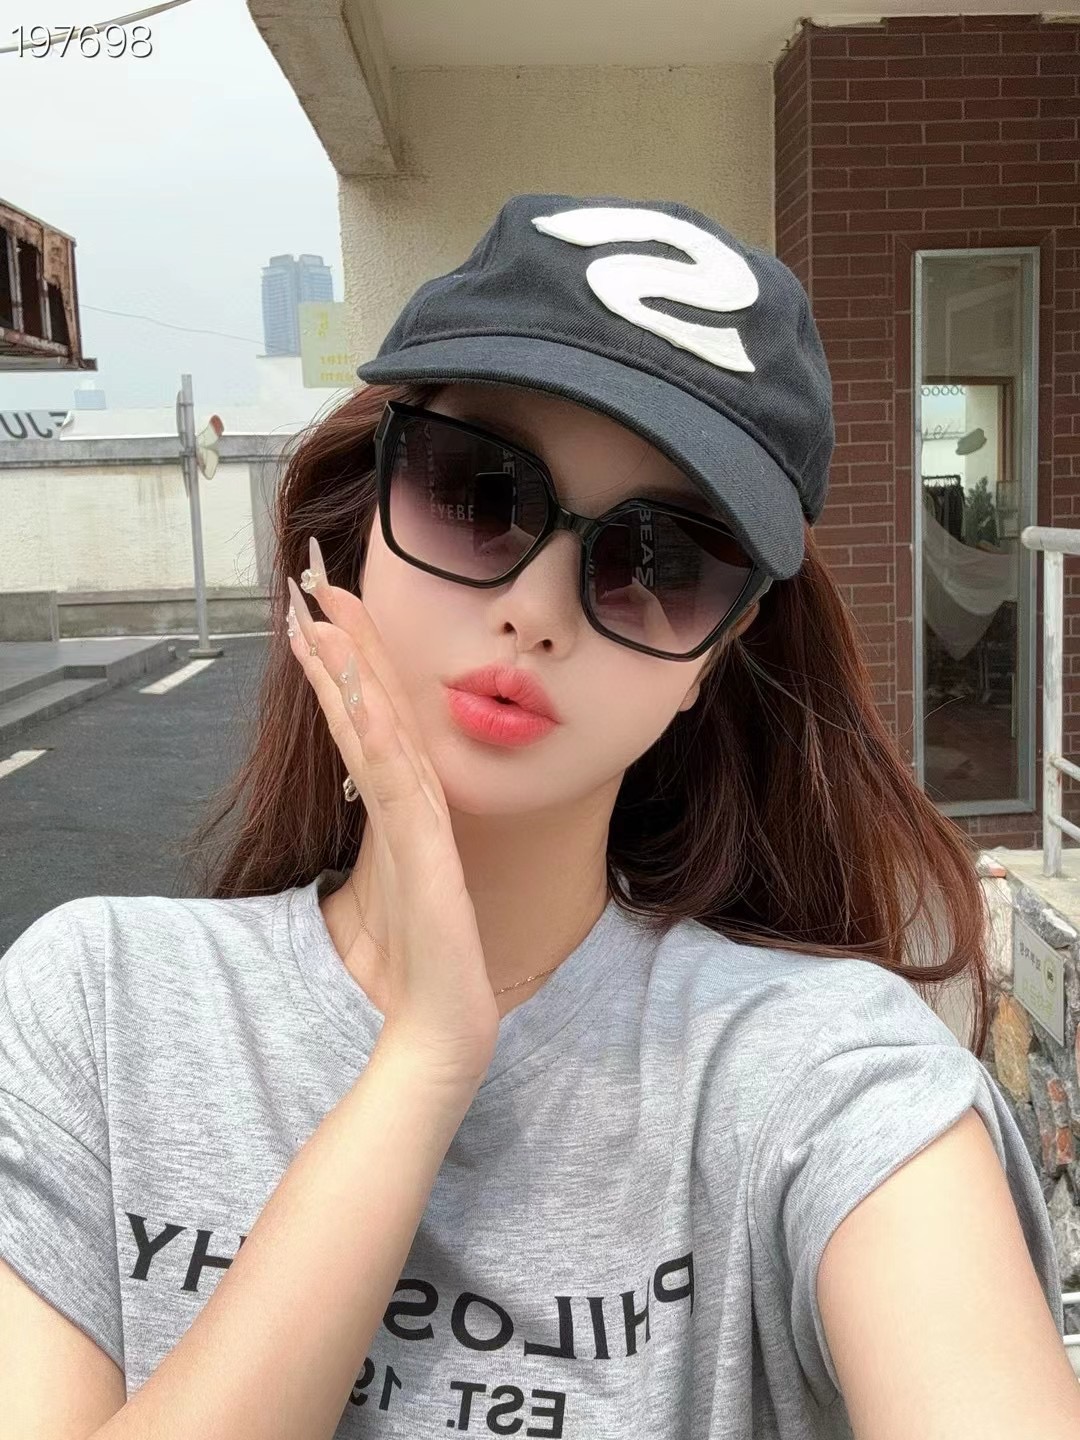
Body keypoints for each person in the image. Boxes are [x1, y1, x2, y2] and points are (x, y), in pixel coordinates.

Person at [1, 192, 1077, 1440]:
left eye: (662, 561)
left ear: (714, 659)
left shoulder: (821, 1071)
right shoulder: (99, 1008)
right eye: (476, 492)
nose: (537, 607)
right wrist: (425, 1058)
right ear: (361, 522)